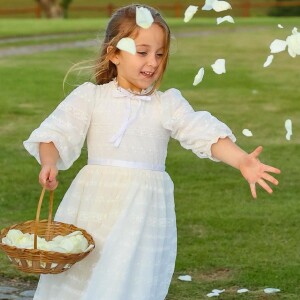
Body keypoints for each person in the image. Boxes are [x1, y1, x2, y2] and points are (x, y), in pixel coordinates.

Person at [23, 4, 281, 300]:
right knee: (86, 276)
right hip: (94, 206)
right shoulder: (91, 98)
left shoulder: (166, 105)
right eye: (142, 52)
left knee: (128, 276)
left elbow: (201, 131)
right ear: (114, 54)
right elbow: (55, 133)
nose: (153, 62)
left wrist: (241, 160)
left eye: (159, 54)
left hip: (142, 212)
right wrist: (49, 162)